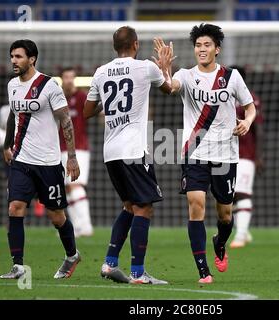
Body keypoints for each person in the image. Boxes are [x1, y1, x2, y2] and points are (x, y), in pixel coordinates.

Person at [154, 23, 256, 284]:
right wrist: (164, 69)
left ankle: (220, 243)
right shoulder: (187, 75)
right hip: (195, 151)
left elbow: (249, 107)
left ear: (217, 49)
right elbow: (171, 86)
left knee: (225, 214)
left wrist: (247, 121)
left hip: (226, 155)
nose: (201, 49)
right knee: (196, 205)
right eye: (198, 45)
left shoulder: (231, 77)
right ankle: (203, 271)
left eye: (206, 45)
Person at [84, 26, 172, 284]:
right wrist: (165, 66)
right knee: (143, 208)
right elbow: (169, 88)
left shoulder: (101, 72)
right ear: (135, 44)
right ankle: (138, 273)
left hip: (110, 152)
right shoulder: (146, 67)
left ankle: (110, 264)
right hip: (134, 150)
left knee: (129, 206)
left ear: (114, 46)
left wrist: (110, 101)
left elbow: (88, 111)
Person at [0, 39, 81, 280]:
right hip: (21, 161)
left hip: (48, 163)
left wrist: (72, 157)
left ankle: (72, 254)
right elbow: (13, 117)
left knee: (56, 216)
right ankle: (17, 266)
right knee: (15, 208)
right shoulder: (12, 85)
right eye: (12, 56)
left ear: (32, 59)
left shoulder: (49, 86)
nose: (14, 61)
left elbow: (66, 120)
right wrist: (7, 144)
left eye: (19, 56)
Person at [228, 66, 265, 249]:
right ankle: (243, 229)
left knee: (242, 193)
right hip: (225, 154)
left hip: (245, 154)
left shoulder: (249, 98)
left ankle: (241, 234)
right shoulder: (221, 96)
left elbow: (258, 128)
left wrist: (258, 155)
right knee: (228, 196)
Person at [59, 67, 94, 238]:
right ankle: (76, 227)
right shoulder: (58, 97)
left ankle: (86, 226)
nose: (69, 80)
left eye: (72, 77)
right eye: (66, 77)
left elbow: (95, 110)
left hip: (79, 147)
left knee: (75, 185)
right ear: (62, 79)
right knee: (67, 188)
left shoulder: (81, 97)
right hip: (60, 148)